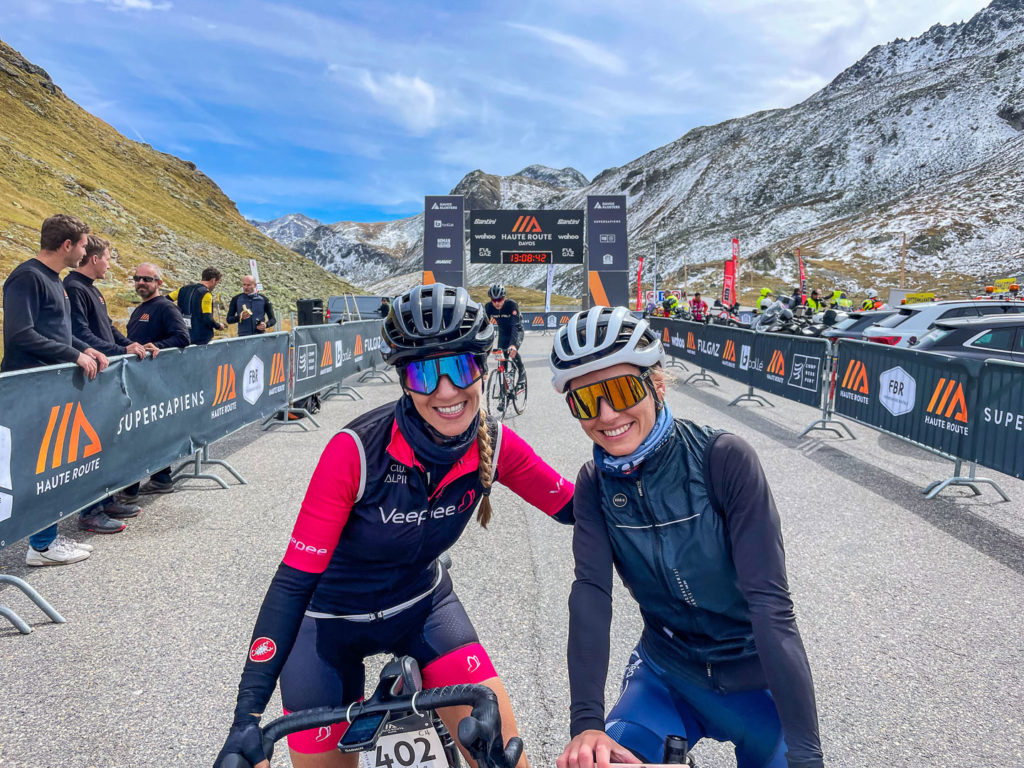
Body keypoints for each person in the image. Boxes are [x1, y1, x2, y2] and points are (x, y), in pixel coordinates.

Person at [214, 283, 575, 768]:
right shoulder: (356, 451)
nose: (446, 391)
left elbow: (577, 509)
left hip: (422, 606)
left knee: (506, 762)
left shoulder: (494, 442)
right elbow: (292, 583)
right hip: (328, 624)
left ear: (483, 368)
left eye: (460, 367)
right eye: (424, 372)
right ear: (404, 380)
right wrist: (246, 717)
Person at [550, 306, 824, 768]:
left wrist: (807, 752)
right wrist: (587, 726)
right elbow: (591, 593)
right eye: (585, 400)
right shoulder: (594, 484)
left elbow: (770, 606)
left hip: (754, 680)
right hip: (666, 675)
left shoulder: (723, 459)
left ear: (656, 385)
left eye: (621, 390)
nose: (606, 414)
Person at [2, 214, 109, 565]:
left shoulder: (55, 280)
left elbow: (57, 332)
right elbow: (20, 334)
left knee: (50, 464)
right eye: (82, 245)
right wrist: (73, 355)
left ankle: (45, 540)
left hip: (48, 387)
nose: (84, 252)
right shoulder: (27, 277)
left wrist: (85, 348)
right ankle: (42, 546)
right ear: (67, 245)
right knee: (34, 467)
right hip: (28, 388)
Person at [65, 234, 148, 533]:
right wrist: (119, 350)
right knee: (91, 444)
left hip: (103, 373)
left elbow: (108, 328)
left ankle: (105, 499)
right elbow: (81, 334)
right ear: (95, 258)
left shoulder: (92, 289)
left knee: (107, 440)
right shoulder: (74, 287)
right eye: (108, 259)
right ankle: (90, 511)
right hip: (89, 377)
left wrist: (127, 344)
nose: (110, 265)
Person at [119, 262, 190, 498]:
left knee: (143, 433)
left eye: (147, 279)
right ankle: (160, 478)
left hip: (155, 381)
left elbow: (182, 337)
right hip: (138, 379)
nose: (141, 282)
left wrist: (158, 346)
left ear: (159, 283)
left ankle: (132, 488)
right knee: (148, 432)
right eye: (137, 278)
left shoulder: (166, 307)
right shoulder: (140, 309)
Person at [483, 284, 525, 406]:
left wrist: (513, 345)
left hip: (516, 331)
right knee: (501, 362)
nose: (497, 303)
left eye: (500, 299)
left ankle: (521, 371)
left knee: (511, 351)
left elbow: (515, 326)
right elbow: (484, 326)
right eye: (494, 300)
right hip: (503, 333)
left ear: (504, 298)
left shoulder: (511, 305)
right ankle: (504, 396)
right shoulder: (488, 307)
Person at [169, 266, 224, 345]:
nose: (215, 286)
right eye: (217, 283)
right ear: (213, 280)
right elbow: (208, 319)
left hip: (183, 335)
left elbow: (165, 300)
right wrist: (218, 326)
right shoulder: (206, 294)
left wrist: (175, 312)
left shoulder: (182, 289)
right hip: (201, 339)